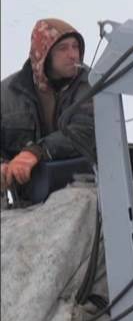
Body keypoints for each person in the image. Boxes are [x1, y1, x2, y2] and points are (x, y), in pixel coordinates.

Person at [2, 18, 97, 200]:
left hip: (83, 190)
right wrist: (4, 169)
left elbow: (84, 131)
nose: (73, 55)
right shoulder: (8, 93)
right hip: (28, 200)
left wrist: (36, 151)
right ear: (43, 53)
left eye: (75, 47)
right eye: (63, 48)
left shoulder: (92, 85)